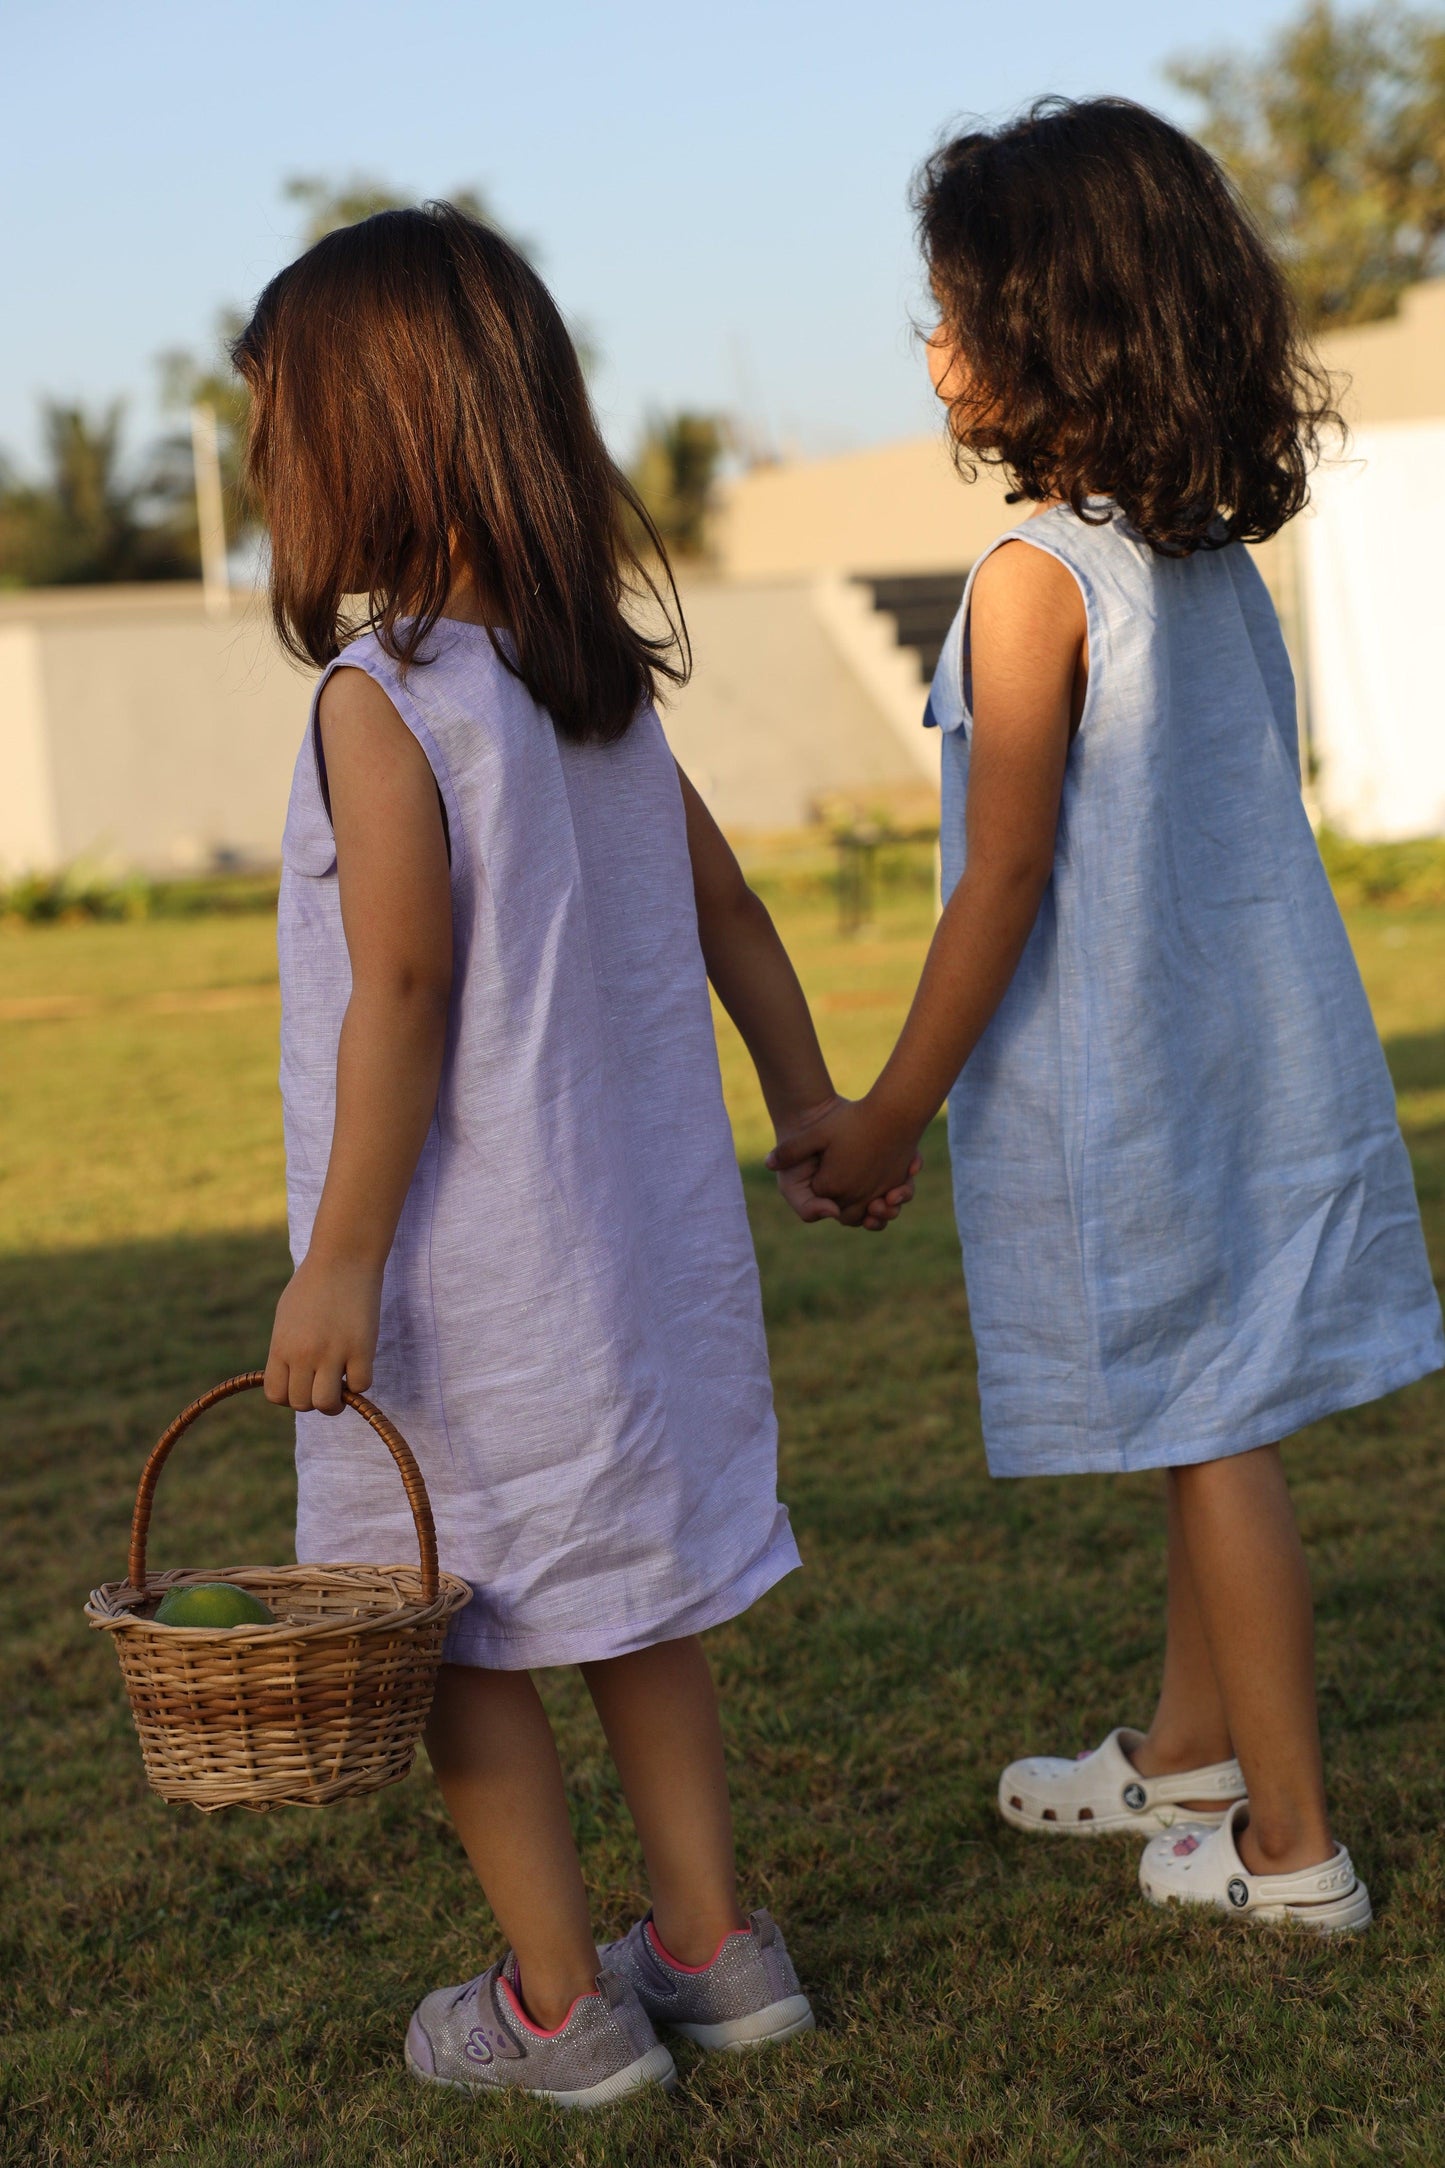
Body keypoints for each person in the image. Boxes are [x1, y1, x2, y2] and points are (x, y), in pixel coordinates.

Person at [239, 205, 908, 2109]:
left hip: (468, 1281)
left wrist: (342, 1257)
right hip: (631, 1261)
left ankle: (559, 2006)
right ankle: (711, 1947)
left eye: (285, 426)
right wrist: (800, 1097)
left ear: (362, 439)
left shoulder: (385, 701)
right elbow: (734, 913)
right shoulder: (590, 686)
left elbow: (405, 987)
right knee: (638, 1597)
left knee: (451, 1626)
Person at [772, 99, 1444, 1933]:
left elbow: (1002, 884)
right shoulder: (1203, 571)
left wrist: (891, 1111)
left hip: (1130, 1084)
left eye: (949, 306)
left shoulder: (1031, 582)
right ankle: (1185, 1755)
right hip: (1254, 1060)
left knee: (1209, 1422)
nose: (926, 347)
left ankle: (1289, 1849)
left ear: (1050, 324)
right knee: (1199, 1402)